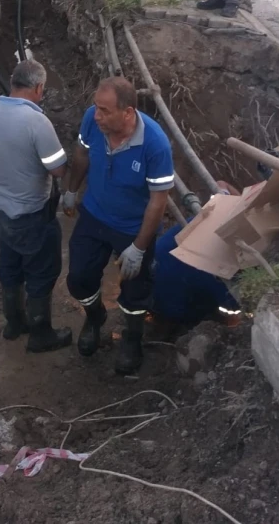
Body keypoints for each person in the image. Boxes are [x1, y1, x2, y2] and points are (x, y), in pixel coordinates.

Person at [62, 78, 175, 375]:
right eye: (96, 107)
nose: (96, 115)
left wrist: (139, 247)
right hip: (95, 214)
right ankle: (95, 315)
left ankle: (132, 338)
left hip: (132, 227)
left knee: (136, 290)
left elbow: (157, 201)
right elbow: (82, 153)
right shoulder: (92, 121)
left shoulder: (154, 145)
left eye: (104, 110)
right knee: (79, 277)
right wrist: (72, 189)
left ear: (127, 113)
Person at [0, 60, 72, 353]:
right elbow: (58, 170)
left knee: (10, 263)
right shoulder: (37, 122)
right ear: (38, 87)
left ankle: (14, 324)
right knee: (42, 270)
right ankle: (40, 333)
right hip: (31, 213)